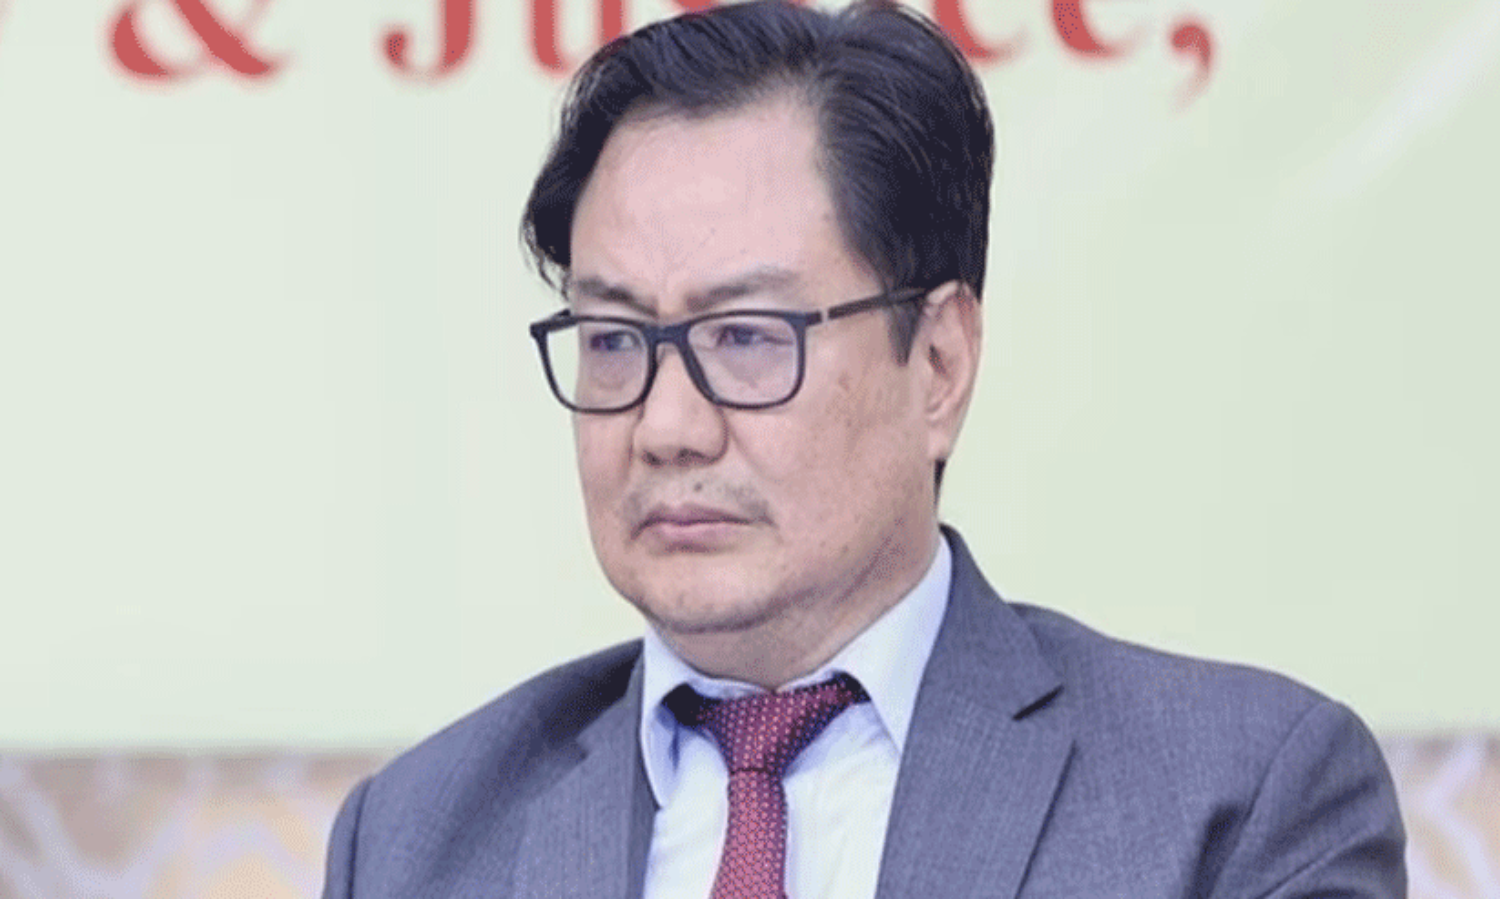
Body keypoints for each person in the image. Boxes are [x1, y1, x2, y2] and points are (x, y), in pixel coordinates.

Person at [321, 2, 1405, 897]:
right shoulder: (418, 838)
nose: (666, 426)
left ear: (938, 364)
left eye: (746, 337)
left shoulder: (1236, 800)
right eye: (614, 340)